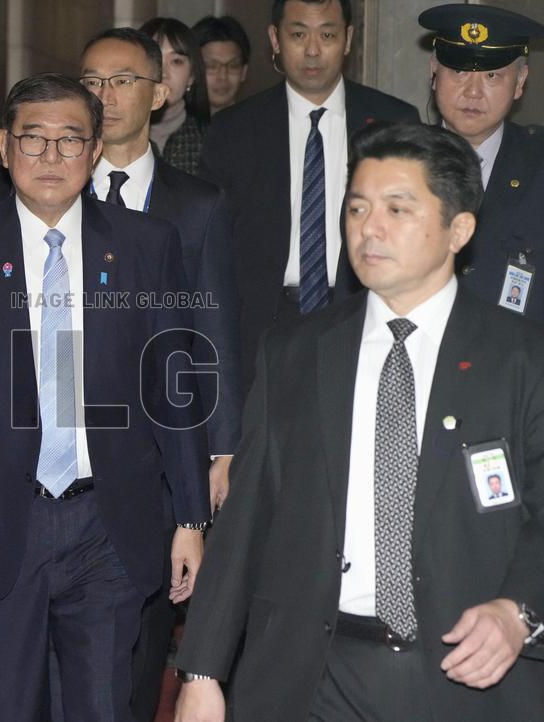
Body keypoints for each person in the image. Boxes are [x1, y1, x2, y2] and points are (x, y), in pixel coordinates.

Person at [175, 122, 544, 722]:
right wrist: (201, 670)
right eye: (357, 208)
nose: (369, 228)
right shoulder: (296, 351)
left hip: (465, 674)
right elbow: (246, 518)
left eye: (397, 209)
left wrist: (518, 611)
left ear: (459, 229)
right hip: (315, 672)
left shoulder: (521, 358)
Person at [0, 73, 209, 722]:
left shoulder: (146, 246)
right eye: (33, 139)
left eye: (70, 140)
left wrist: (192, 521)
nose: (51, 156)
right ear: (4, 147)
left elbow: (173, 392)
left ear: (95, 151)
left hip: (108, 523)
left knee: (102, 707)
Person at [78, 28, 240, 720]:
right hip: (63, 443)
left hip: (157, 451)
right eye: (91, 83)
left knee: (142, 632)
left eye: (122, 81)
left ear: (160, 94)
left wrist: (221, 447)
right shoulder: (49, 188)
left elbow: (214, 331)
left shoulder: (197, 204)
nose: (105, 96)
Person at [198, 0, 419, 393]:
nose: (313, 50)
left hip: (363, 316)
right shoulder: (234, 130)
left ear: (348, 39)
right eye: (299, 35)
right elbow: (211, 251)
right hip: (263, 328)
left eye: (327, 35)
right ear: (275, 39)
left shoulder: (395, 122)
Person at [420, 4, 544, 320]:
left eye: (491, 75)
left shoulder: (538, 162)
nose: (473, 92)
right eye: (459, 71)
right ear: (434, 72)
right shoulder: (395, 162)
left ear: (520, 82)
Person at [139, 18, 211, 176]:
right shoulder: (111, 139)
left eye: (176, 61)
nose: (163, 73)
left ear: (192, 75)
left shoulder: (214, 141)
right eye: (154, 59)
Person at [191, 15, 250, 115]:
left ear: (244, 72)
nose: (223, 76)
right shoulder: (173, 122)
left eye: (233, 66)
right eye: (211, 66)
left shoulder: (259, 121)